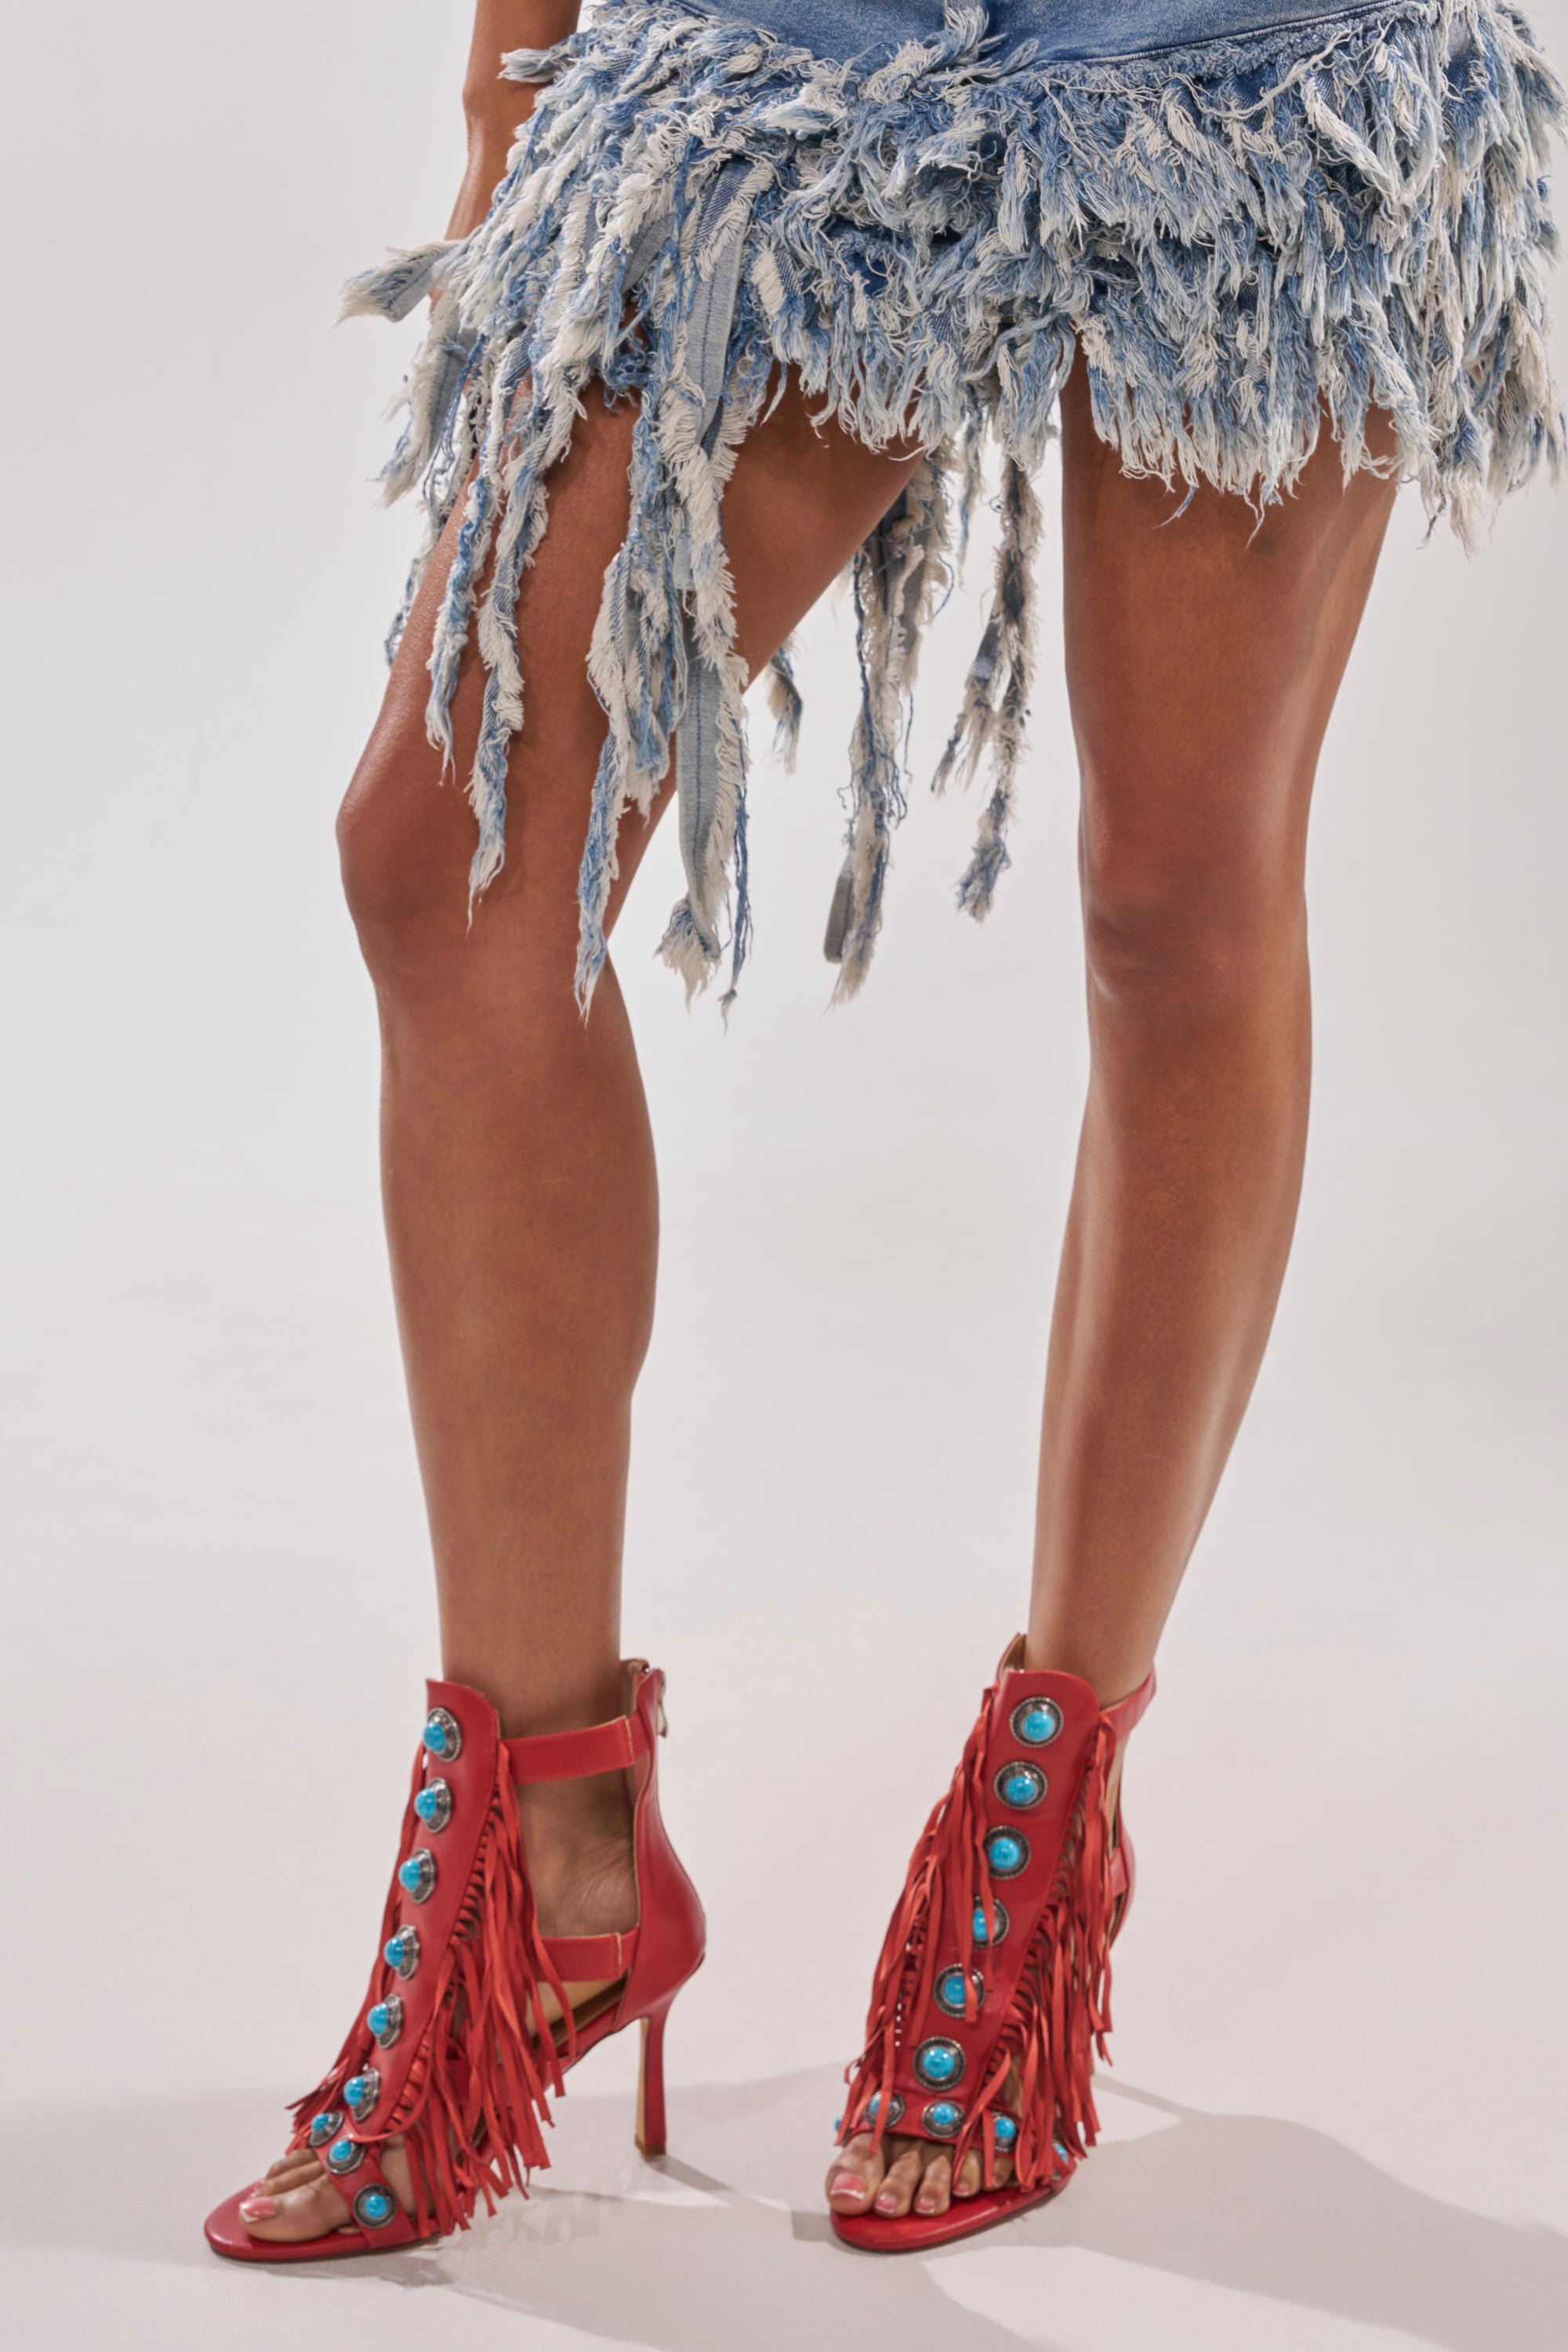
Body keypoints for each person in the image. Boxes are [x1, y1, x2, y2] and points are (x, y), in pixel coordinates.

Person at [204, 0, 1563, 2261]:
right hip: (793, 37)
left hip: (1252, 47)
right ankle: (552, 1870)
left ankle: (1039, 1838)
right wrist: (510, 76)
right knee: (453, 851)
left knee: (1174, 906)